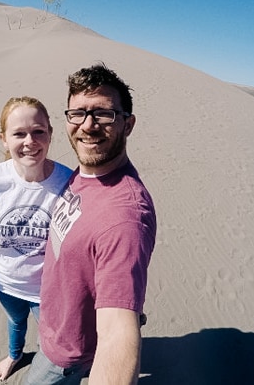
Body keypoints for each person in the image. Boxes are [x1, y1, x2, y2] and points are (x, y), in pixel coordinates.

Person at [25, 64, 157, 384]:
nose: (88, 125)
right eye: (78, 113)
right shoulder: (86, 172)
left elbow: (116, 334)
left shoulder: (124, 217)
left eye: (103, 114)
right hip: (57, 322)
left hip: (65, 354)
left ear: (128, 124)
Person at [0, 96, 72, 382]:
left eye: (38, 131)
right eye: (19, 133)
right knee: (15, 322)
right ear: (4, 139)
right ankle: (15, 354)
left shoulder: (68, 182)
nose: (30, 141)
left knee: (53, 341)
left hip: (50, 290)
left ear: (50, 133)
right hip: (6, 282)